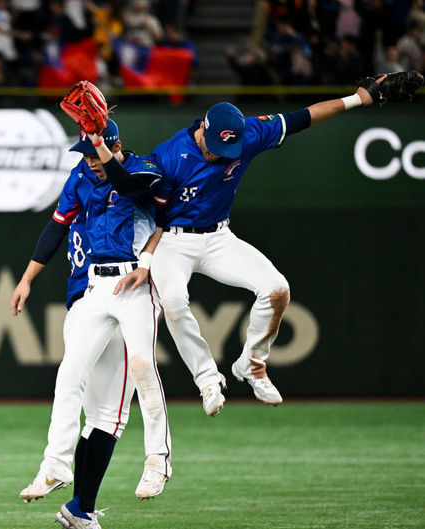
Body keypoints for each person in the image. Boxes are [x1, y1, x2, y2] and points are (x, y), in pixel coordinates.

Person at [148, 78, 388, 416]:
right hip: (172, 239)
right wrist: (145, 256)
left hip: (218, 237)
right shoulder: (169, 156)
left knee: (277, 290)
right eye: (215, 144)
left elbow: (303, 117)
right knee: (172, 301)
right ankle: (206, 379)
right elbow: (148, 213)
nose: (219, 152)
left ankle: (252, 365)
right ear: (203, 126)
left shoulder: (248, 134)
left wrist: (357, 99)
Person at [11, 119, 171, 529]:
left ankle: (153, 464)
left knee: (115, 408)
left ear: (114, 145)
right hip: (93, 289)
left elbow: (134, 188)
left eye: (94, 151)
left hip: (134, 286)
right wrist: (27, 278)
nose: (89, 161)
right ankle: (57, 471)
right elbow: (56, 226)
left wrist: (104, 148)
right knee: (69, 375)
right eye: (83, 152)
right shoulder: (81, 175)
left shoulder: (142, 168)